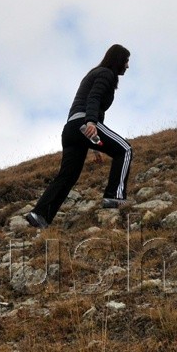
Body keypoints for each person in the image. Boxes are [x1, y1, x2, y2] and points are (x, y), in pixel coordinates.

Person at [25, 44, 133, 229]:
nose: (128, 66)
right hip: (84, 123)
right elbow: (94, 98)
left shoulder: (93, 73)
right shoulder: (106, 73)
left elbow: (90, 102)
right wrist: (91, 123)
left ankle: (39, 215)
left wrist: (94, 144)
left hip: (71, 129)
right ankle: (114, 197)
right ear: (118, 60)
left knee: (67, 175)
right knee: (125, 150)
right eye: (126, 61)